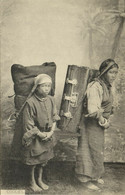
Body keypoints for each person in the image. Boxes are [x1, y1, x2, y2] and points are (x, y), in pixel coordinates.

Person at [75, 59, 119, 190]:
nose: (114, 75)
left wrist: (106, 119)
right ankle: (84, 178)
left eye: (115, 73)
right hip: (90, 124)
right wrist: (103, 121)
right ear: (103, 72)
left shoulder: (107, 86)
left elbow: (108, 106)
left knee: (96, 150)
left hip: (98, 126)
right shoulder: (95, 86)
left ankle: (94, 176)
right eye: (111, 72)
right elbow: (93, 110)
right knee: (86, 150)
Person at [21, 74, 60, 192]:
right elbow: (28, 124)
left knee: (43, 160)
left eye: (49, 86)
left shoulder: (52, 100)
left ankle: (39, 179)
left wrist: (51, 132)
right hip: (35, 135)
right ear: (37, 87)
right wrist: (40, 134)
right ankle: (32, 181)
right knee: (33, 160)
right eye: (44, 86)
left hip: (47, 134)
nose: (47, 88)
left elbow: (54, 117)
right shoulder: (30, 103)